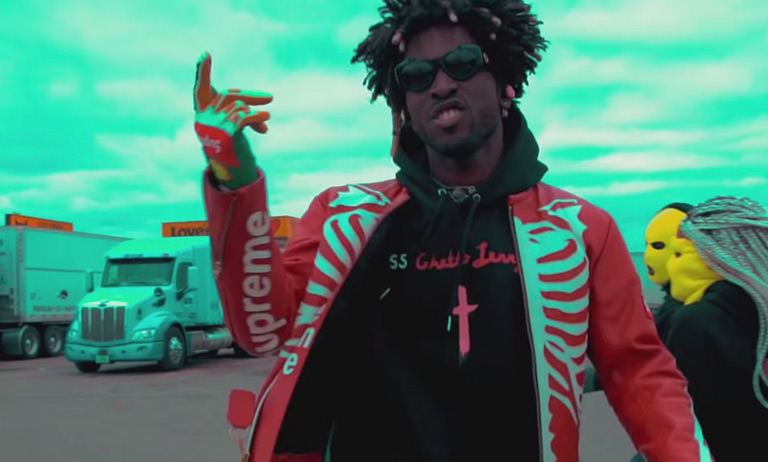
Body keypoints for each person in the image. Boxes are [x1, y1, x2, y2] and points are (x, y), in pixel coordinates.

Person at [193, 1, 713, 461]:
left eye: (462, 63)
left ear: (506, 83)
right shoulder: (344, 217)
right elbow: (261, 331)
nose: (440, 84)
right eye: (416, 75)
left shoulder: (579, 230)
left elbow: (637, 370)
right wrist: (234, 174)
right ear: (402, 103)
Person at [663, 196, 768, 461]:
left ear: (711, 258)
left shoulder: (696, 322)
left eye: (678, 254)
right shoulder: (752, 312)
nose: (670, 266)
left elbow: (682, 415)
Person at [584, 202, 693, 393]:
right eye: (646, 246)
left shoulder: (685, 316)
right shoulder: (682, 306)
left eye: (658, 245)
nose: (648, 255)